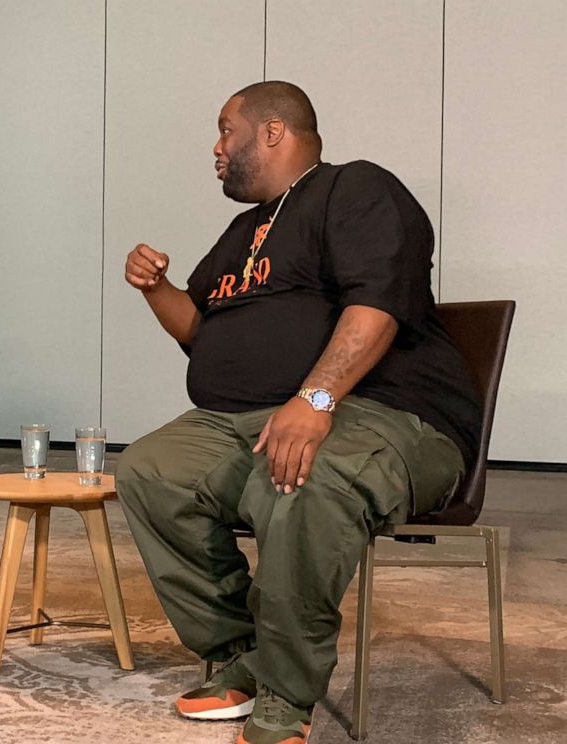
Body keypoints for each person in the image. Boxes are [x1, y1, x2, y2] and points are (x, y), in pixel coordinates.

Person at [116, 81, 481, 744]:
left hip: (384, 412)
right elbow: (201, 329)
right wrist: (156, 287)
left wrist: (315, 399)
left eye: (227, 130)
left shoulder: (355, 189)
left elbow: (376, 305)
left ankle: (285, 695)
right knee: (149, 470)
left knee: (297, 479)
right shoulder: (245, 231)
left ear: (273, 132)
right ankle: (238, 656)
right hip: (250, 417)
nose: (217, 147)